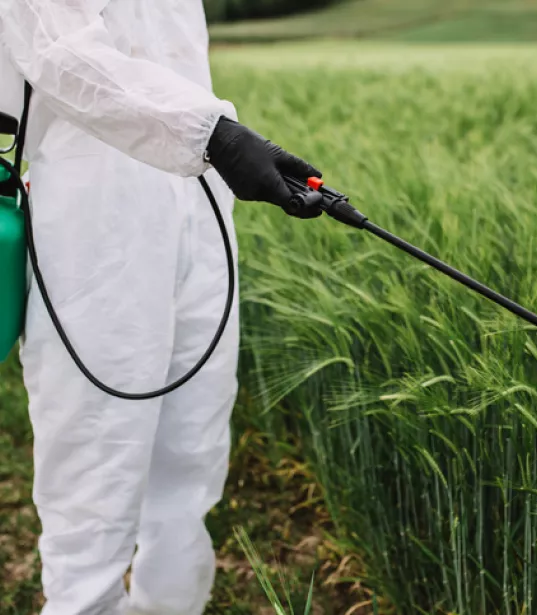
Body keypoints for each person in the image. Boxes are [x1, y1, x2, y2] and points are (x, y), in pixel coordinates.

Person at [0, 1, 320, 614]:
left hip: (199, 202)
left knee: (190, 461)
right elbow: (60, 53)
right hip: (97, 213)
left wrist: (215, 142)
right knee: (95, 480)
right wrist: (214, 134)